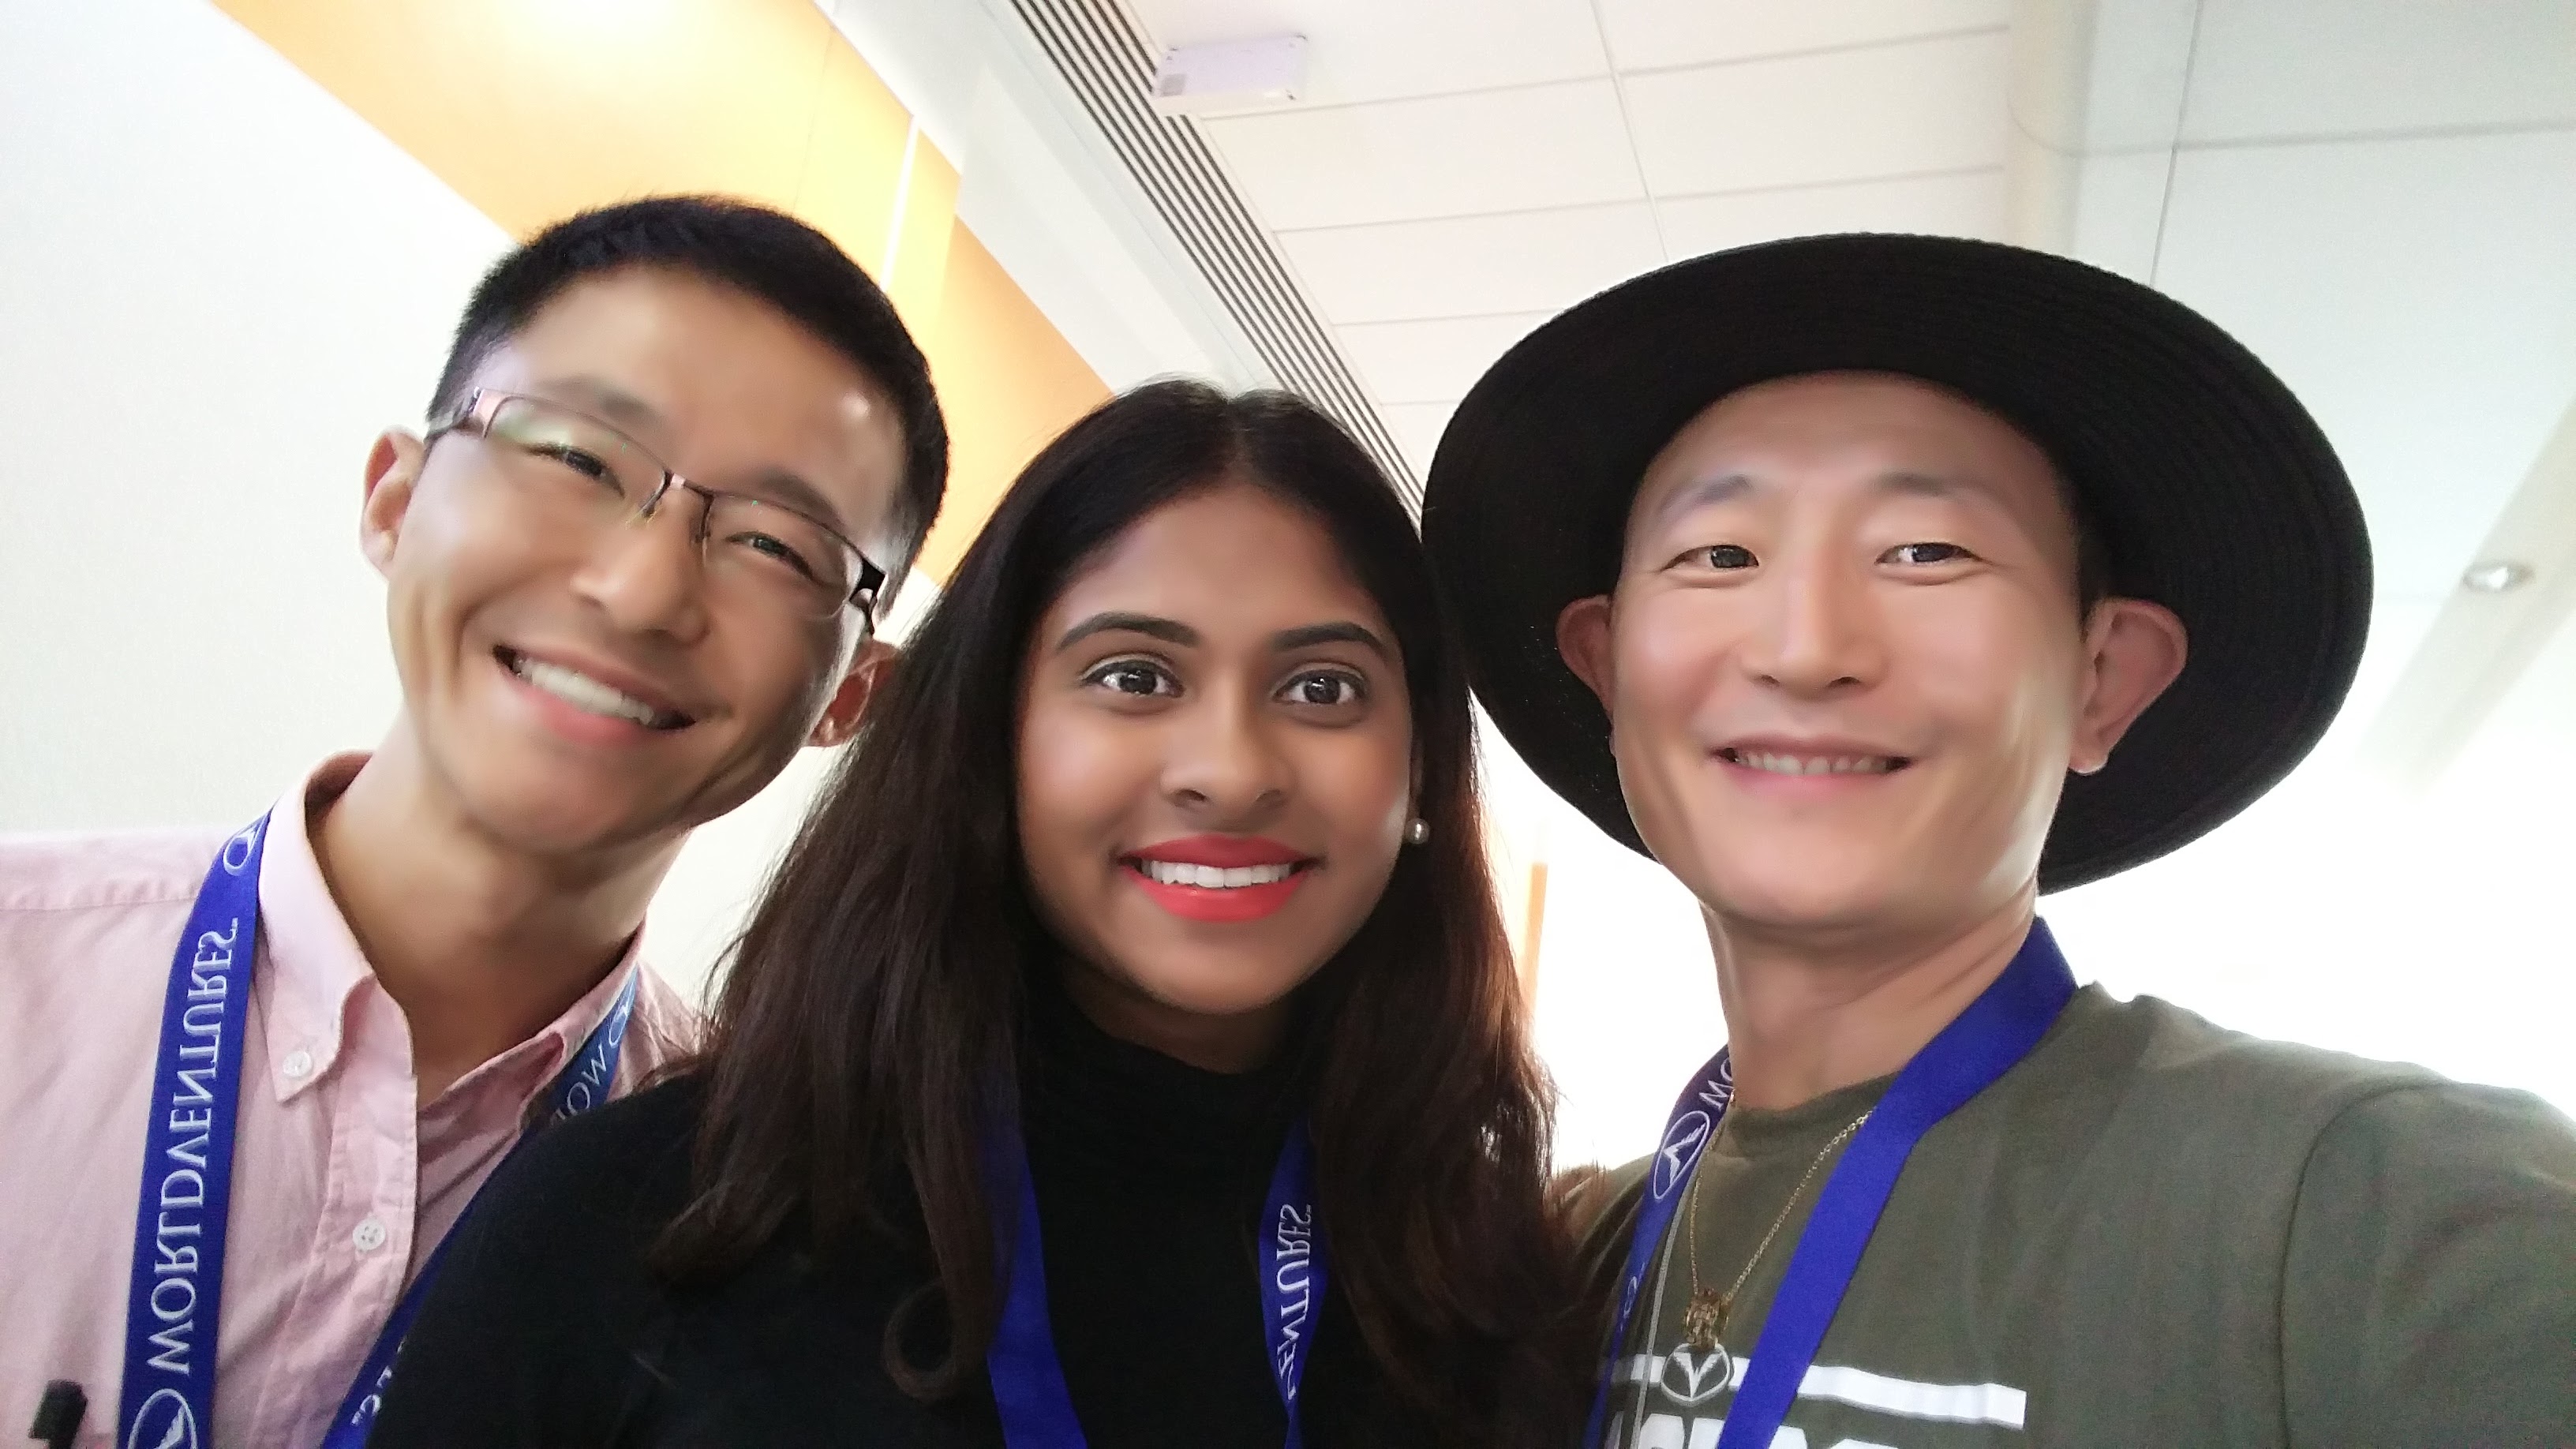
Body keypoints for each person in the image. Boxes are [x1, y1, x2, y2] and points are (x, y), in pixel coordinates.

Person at [1420, 234, 2576, 1447]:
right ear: (1608, 672)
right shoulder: (1568, 1268)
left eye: (1926, 553)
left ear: (2101, 679)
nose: (1806, 648)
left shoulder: (2370, 1212)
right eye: (1721, 555)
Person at [365, 380, 1582, 1448]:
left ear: (1420, 767)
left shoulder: (1494, 1295)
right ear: (989, 734)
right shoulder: (645, 1215)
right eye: (1133, 676)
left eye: (1322, 688)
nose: (1230, 770)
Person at [0, 196, 949, 1449]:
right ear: (394, 501)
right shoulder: (26, 976)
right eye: (578, 459)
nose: (642, 590)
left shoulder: (761, 1200)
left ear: (850, 698)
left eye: (778, 546)